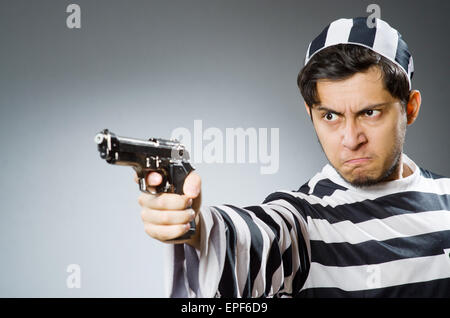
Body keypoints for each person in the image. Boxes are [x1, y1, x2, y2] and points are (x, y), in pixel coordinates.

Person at [137, 17, 450, 297]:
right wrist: (199, 229)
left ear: (410, 107)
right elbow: (256, 238)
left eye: (370, 112)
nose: (351, 139)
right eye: (330, 116)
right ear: (310, 113)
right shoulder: (303, 219)